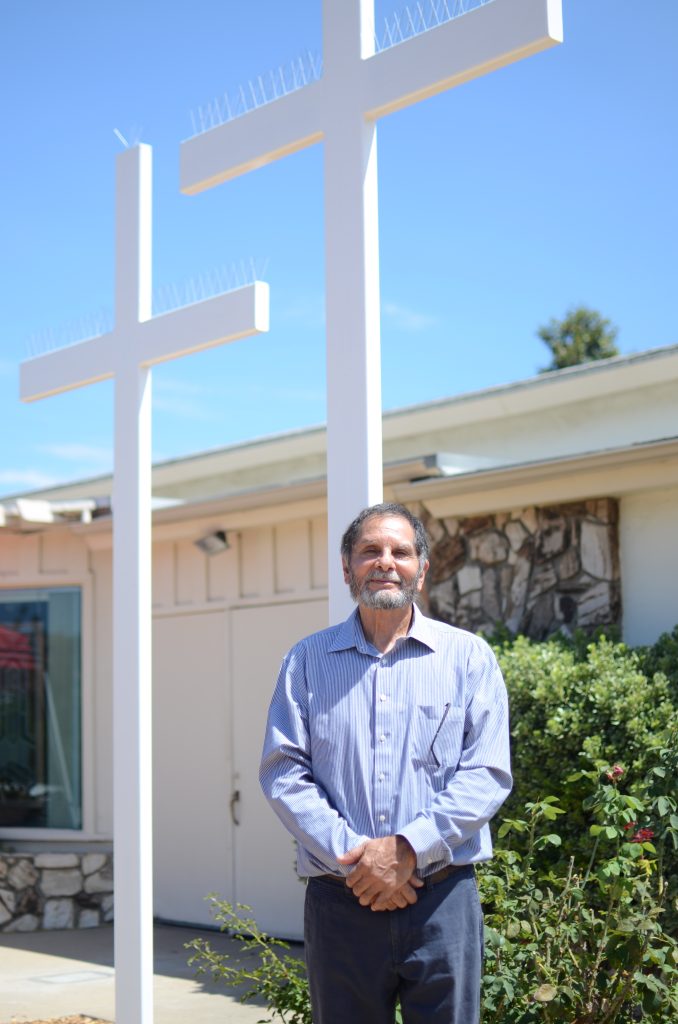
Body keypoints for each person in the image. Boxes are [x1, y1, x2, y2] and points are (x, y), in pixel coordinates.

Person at [259, 502, 512, 1024]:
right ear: (346, 567)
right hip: (341, 899)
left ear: (423, 568)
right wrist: (359, 858)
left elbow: (486, 774)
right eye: (369, 551)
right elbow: (284, 770)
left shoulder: (469, 658)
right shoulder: (305, 661)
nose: (385, 562)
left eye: (400, 551)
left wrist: (407, 849)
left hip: (442, 900)